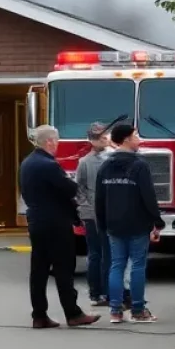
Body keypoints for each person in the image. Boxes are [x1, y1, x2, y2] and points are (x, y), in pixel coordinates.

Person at [19, 125, 100, 329]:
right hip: (55, 222)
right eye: (56, 141)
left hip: (36, 220)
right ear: (49, 142)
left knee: (39, 270)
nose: (57, 145)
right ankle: (72, 313)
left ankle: (39, 314)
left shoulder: (27, 162)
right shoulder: (48, 164)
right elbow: (69, 189)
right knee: (64, 267)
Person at [95, 122, 164, 324]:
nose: (139, 139)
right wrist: (156, 221)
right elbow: (148, 196)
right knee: (137, 266)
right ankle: (138, 309)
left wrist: (102, 223)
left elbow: (99, 198)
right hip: (137, 224)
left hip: (113, 224)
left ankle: (115, 310)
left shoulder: (105, 166)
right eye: (136, 135)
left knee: (116, 265)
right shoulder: (139, 165)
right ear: (126, 139)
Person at [76, 122, 113, 307]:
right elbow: (79, 187)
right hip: (92, 214)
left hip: (111, 212)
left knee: (110, 254)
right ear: (91, 140)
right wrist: (85, 207)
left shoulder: (113, 158)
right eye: (98, 137)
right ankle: (96, 292)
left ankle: (108, 292)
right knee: (96, 254)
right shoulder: (84, 162)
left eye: (105, 135)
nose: (103, 139)